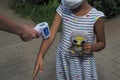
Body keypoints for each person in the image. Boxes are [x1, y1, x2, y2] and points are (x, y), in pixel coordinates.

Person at [33, 0, 106, 80]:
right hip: (64, 61)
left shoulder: (97, 17)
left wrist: (92, 47)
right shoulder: (63, 8)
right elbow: (51, 34)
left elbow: (102, 43)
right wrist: (40, 55)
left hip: (82, 64)